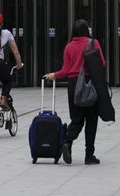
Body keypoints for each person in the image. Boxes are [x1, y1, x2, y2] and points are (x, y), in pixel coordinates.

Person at [44, 19, 106, 165]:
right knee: (91, 120)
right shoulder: (93, 43)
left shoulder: (69, 46)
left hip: (73, 85)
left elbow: (66, 70)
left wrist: (54, 75)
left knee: (77, 119)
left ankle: (67, 142)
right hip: (90, 84)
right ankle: (89, 155)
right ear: (86, 30)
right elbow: (102, 63)